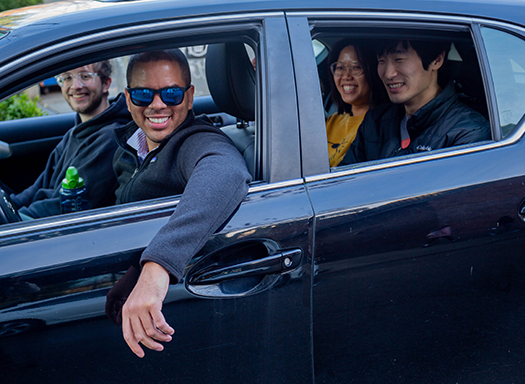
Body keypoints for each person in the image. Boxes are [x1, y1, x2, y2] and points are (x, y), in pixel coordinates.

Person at [109, 49, 251, 358]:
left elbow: (226, 174)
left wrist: (157, 267)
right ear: (128, 97)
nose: (157, 105)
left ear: (189, 97)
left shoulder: (196, 142)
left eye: (171, 94)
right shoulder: (130, 144)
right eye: (144, 94)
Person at [340, 39, 491, 165]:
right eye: (381, 61)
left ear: (436, 60)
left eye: (399, 59)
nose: (388, 73)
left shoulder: (468, 132)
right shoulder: (375, 121)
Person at [10, 61, 130, 218]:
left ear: (106, 84)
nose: (75, 86)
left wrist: (15, 220)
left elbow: (63, 206)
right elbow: (39, 186)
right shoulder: (75, 133)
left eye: (85, 76)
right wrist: (11, 205)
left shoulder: (111, 139)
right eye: (67, 77)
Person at [326, 39, 387, 167]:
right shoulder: (331, 121)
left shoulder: (382, 127)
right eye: (340, 68)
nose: (346, 76)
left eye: (356, 67)